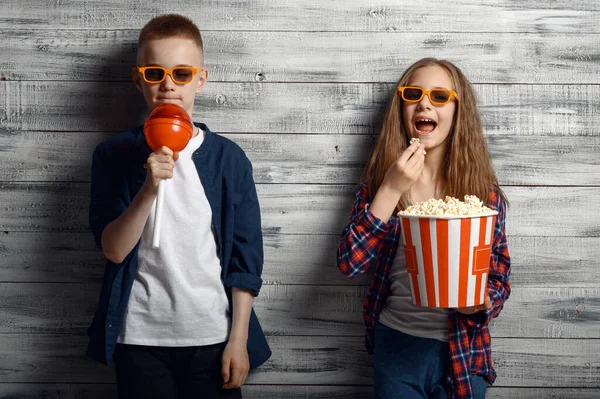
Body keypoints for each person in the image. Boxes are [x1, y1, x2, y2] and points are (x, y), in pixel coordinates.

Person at [86, 14, 271, 399]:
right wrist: (149, 189)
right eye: (155, 72)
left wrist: (237, 340)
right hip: (138, 337)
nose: (168, 84)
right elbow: (114, 249)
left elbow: (244, 259)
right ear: (139, 80)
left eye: (182, 73)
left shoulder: (229, 160)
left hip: (213, 336)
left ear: (200, 81)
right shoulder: (112, 155)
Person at [337, 58, 511, 399]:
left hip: (463, 350)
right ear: (402, 109)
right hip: (397, 345)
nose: (425, 103)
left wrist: (481, 303)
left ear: (458, 110)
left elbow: (499, 277)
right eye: (414, 93)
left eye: (439, 96)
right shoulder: (380, 185)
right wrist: (390, 189)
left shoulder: (484, 194)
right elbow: (349, 263)